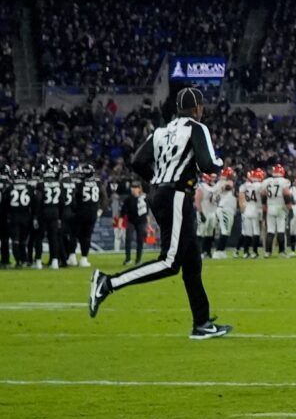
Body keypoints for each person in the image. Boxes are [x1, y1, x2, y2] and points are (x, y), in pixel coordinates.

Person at [87, 87, 231, 339]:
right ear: (198, 108)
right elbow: (208, 164)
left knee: (192, 264)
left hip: (163, 194)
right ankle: (108, 283)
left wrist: (157, 180)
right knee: (169, 262)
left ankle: (202, 323)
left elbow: (137, 162)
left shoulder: (161, 131)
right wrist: (220, 163)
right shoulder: (197, 128)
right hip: (176, 195)